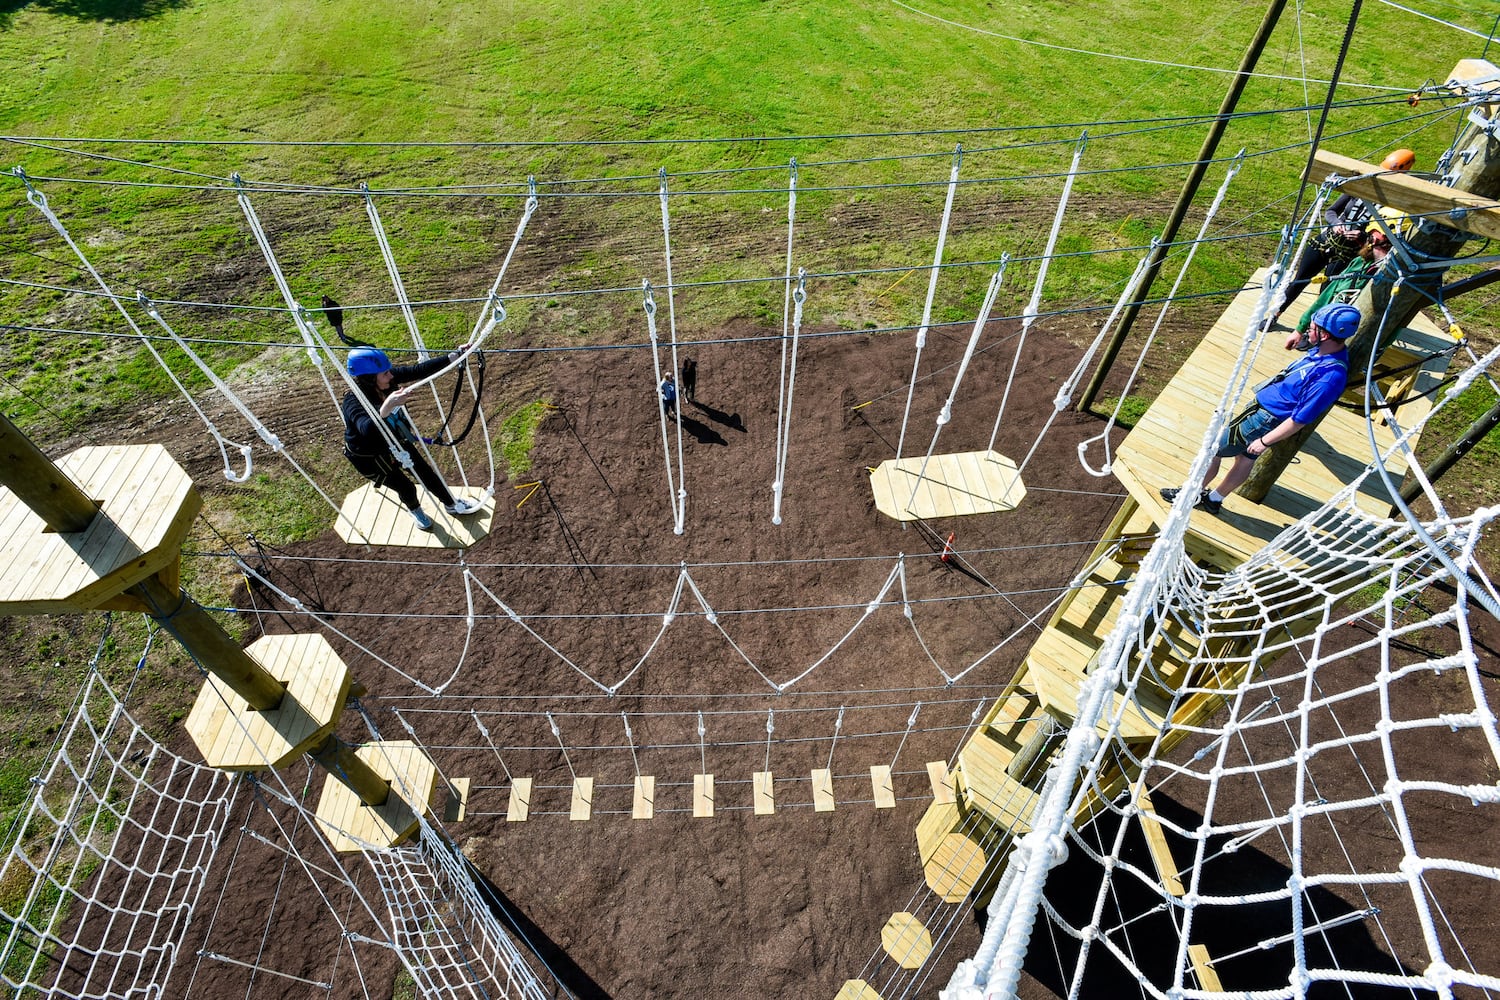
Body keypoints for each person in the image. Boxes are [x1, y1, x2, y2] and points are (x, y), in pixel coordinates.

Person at [1161, 302, 1361, 516]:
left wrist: (1265, 441)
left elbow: (1300, 419)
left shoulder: (1330, 377)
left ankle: (1190, 495)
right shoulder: (1322, 352)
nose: (1308, 330)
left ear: (1326, 335)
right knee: (1245, 459)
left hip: (1263, 419)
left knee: (1212, 450)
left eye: (1313, 328)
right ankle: (1214, 499)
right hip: (1263, 413)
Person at [341, 347, 482, 531]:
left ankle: (450, 503)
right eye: (385, 373)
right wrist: (387, 407)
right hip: (370, 457)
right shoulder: (353, 401)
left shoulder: (385, 380)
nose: (391, 376)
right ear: (369, 378)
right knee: (406, 487)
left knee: (426, 473)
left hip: (395, 441)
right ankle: (415, 510)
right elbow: (366, 429)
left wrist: (454, 356)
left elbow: (418, 370)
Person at [1271, 149, 1414, 324]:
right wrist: (1337, 223)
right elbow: (1331, 211)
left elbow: (1382, 232)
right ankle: (1275, 314)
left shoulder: (1392, 204)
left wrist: (1362, 235)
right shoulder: (1360, 186)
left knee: (1328, 291)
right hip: (1327, 242)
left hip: (1349, 253)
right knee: (1299, 280)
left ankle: (1312, 328)